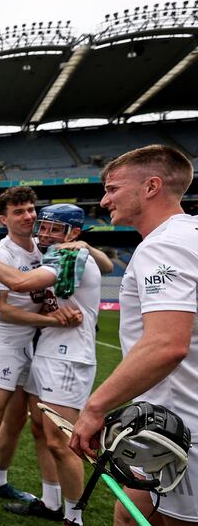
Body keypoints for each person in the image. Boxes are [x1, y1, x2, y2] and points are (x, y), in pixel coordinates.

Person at [70, 145, 198, 526]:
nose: (104, 199)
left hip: (184, 430)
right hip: (166, 423)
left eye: (112, 188)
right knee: (128, 514)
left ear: (151, 187)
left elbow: (166, 344)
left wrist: (95, 407)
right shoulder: (187, 234)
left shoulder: (164, 245)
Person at [0, 204, 101, 526]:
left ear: (74, 233)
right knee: (41, 430)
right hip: (47, 351)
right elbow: (105, 262)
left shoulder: (68, 256)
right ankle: (52, 503)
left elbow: (21, 284)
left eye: (56, 229)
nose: (45, 233)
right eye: (44, 226)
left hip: (67, 357)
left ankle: (73, 518)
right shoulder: (56, 253)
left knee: (62, 440)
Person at [0, 186, 70, 517]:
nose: (29, 216)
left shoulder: (43, 247)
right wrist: (47, 320)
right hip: (6, 343)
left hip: (35, 344)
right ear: (3, 219)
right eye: (19, 211)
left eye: (31, 209)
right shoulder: (2, 254)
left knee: (21, 423)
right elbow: (1, 309)